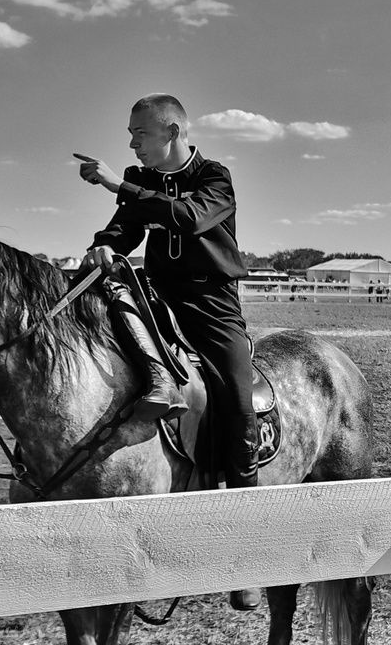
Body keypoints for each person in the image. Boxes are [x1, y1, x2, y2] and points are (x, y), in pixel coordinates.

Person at [75, 93, 258, 496]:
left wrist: (117, 184)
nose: (132, 144)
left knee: (237, 396)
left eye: (140, 133)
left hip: (211, 304)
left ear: (172, 131)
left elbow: (189, 218)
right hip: (156, 296)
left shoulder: (214, 176)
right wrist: (105, 244)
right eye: (130, 135)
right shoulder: (140, 178)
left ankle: (247, 489)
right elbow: (124, 227)